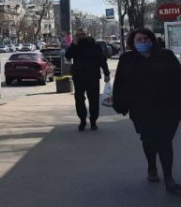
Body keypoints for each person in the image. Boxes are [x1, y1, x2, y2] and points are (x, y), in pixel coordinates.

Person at [113, 28, 181, 195]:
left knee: (164, 141)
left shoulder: (166, 55)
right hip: (141, 108)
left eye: (146, 39)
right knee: (149, 140)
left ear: (152, 40)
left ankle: (169, 178)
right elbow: (120, 83)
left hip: (168, 107)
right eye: (139, 40)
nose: (143, 42)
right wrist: (120, 104)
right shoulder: (127, 59)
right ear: (133, 43)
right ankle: (151, 166)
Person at [65, 28, 110, 130]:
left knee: (94, 100)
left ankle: (93, 121)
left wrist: (106, 73)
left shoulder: (95, 46)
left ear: (88, 34)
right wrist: (73, 44)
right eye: (79, 35)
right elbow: (68, 56)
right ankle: (82, 120)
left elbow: (102, 60)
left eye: (83, 34)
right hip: (79, 77)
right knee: (79, 99)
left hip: (93, 76)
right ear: (77, 36)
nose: (82, 37)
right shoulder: (75, 46)